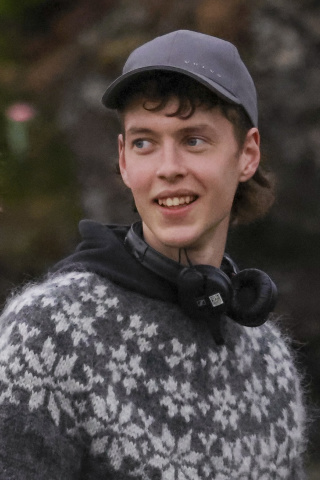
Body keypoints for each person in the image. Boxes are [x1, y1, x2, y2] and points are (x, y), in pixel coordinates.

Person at [0, 30, 306, 479]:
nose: (167, 168)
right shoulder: (46, 336)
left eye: (194, 140)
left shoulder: (272, 367)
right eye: (145, 142)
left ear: (247, 154)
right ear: (124, 159)